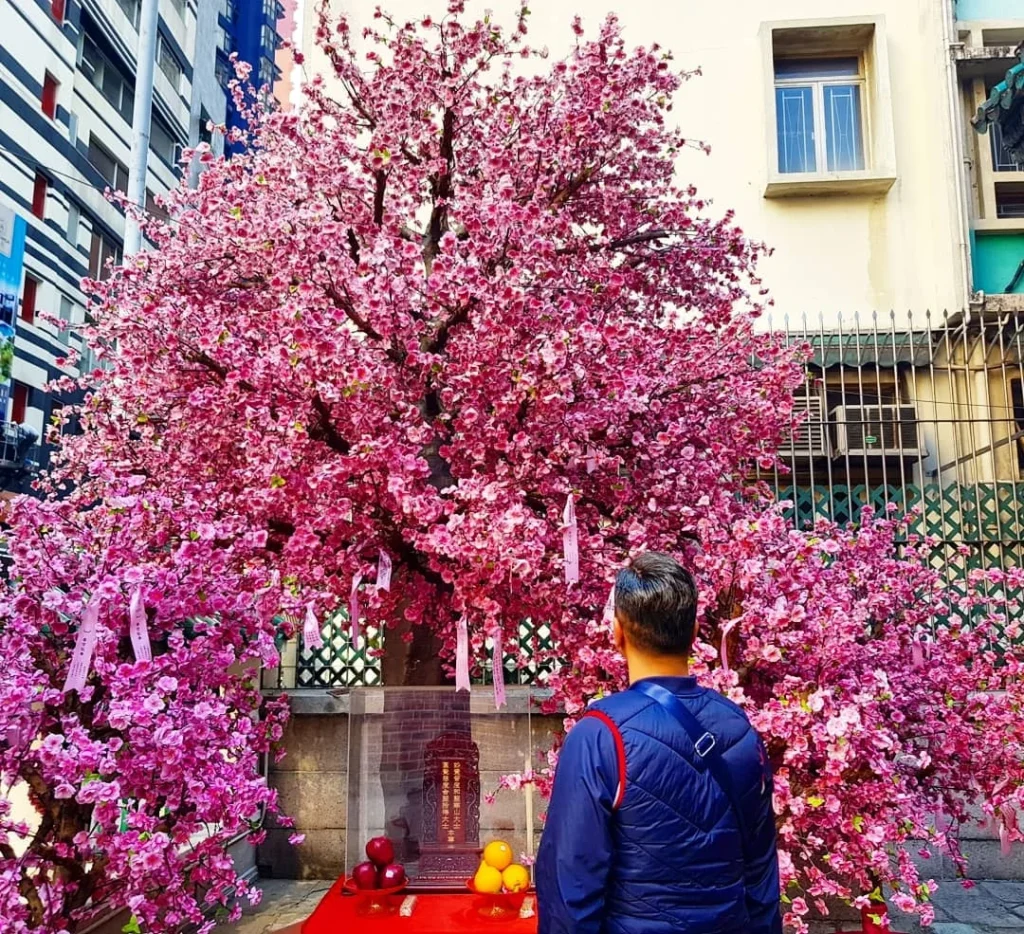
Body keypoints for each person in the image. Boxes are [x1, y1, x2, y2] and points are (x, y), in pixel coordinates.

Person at [536, 552, 782, 934]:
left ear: (618, 632)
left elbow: (570, 883)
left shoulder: (601, 734)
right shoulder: (739, 728)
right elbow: (762, 871)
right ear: (695, 629)